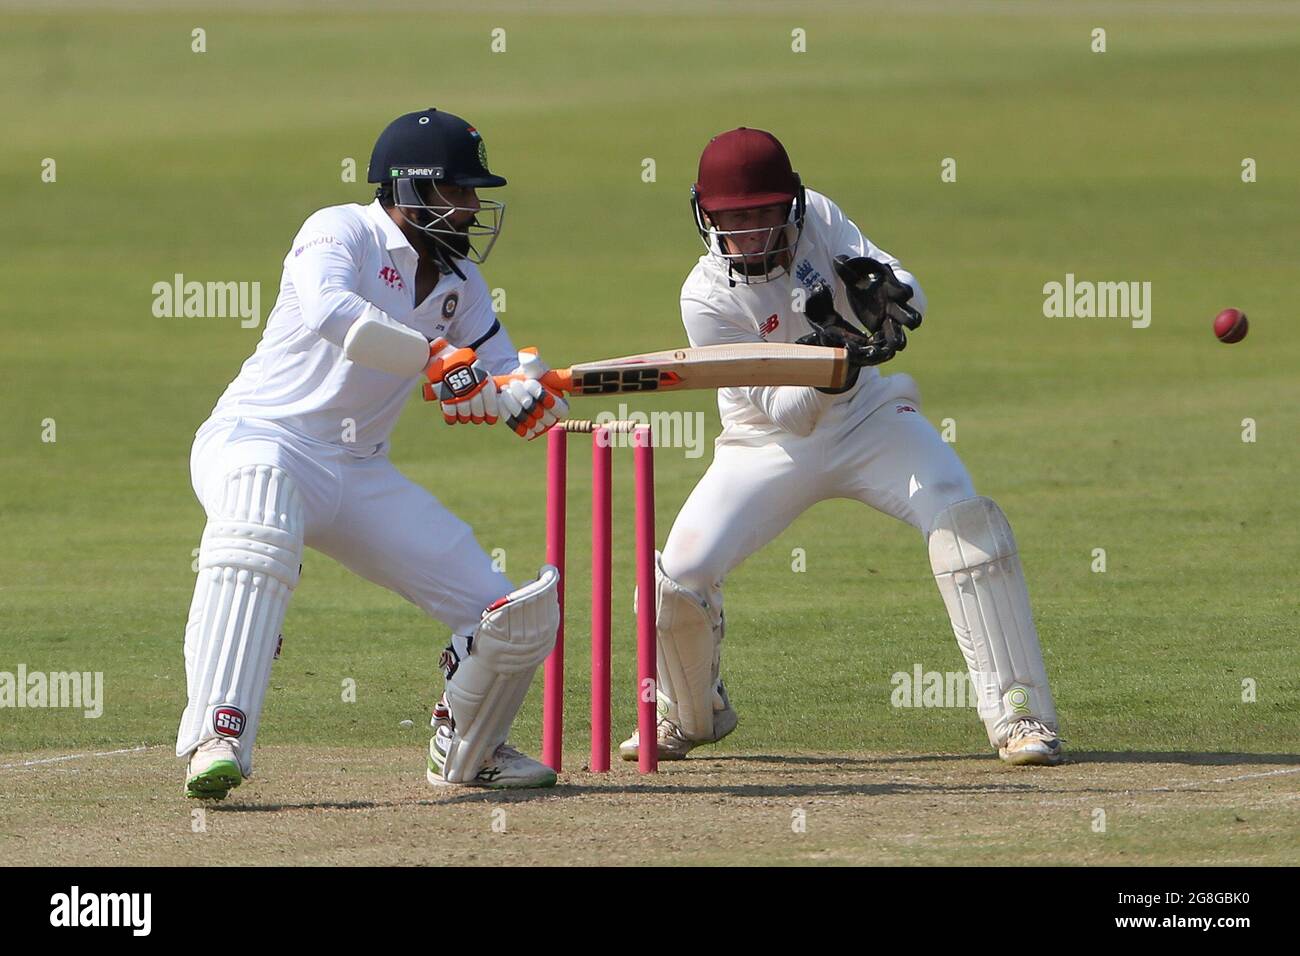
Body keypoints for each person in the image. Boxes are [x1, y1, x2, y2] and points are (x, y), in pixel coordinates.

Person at [620, 127, 1063, 767]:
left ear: (792, 206)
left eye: (765, 215)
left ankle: (1020, 715)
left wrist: (891, 295)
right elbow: (791, 416)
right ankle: (690, 713)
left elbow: (905, 287)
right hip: (764, 444)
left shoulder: (820, 217)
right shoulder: (705, 298)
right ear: (706, 216)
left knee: (964, 518)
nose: (751, 233)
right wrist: (837, 362)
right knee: (676, 581)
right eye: (734, 219)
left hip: (871, 421)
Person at [177, 107, 571, 799]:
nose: (474, 207)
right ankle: (219, 735)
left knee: (511, 614)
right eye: (459, 191)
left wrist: (528, 396)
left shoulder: (462, 286)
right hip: (260, 436)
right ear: (412, 191)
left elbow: (499, 374)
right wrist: (437, 358)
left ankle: (470, 750)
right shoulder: (339, 230)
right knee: (257, 526)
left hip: (358, 472)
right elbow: (332, 312)